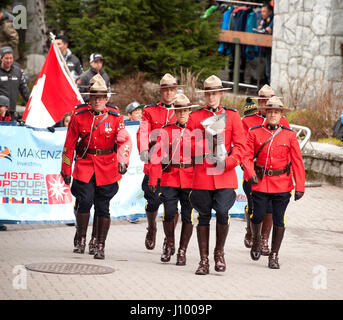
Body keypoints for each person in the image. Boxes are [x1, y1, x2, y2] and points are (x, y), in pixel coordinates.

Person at [60, 74, 132, 260]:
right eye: (94, 97)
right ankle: (82, 238)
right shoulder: (79, 115)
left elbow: (124, 141)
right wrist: (66, 170)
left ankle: (99, 244)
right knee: (84, 201)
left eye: (101, 98)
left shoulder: (116, 117)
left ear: (106, 99)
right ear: (89, 99)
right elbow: (68, 146)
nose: (97, 101)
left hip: (107, 166)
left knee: (103, 206)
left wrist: (123, 160)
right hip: (85, 165)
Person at [185, 75, 246, 275]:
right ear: (205, 95)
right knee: (203, 216)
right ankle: (203, 260)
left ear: (220, 94)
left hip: (224, 174)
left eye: (215, 93)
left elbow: (240, 146)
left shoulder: (233, 116)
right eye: (208, 93)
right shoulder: (195, 117)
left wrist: (228, 162)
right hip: (202, 174)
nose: (211, 97)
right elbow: (186, 144)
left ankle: (219, 253)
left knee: (222, 212)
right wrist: (206, 145)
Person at [243, 96, 305, 269]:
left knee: (279, 219)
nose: (273, 115)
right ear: (266, 113)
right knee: (258, 215)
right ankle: (256, 240)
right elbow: (247, 156)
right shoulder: (254, 132)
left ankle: (274, 255)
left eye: (276, 112)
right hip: (261, 182)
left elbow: (297, 161)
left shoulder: (289, 135)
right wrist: (250, 173)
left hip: (282, 184)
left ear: (281, 115)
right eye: (270, 112)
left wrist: (300, 186)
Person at [148, 93, 198, 265]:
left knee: (188, 216)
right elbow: (157, 156)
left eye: (185, 110)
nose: (182, 113)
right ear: (175, 113)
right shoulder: (166, 130)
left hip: (190, 178)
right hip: (170, 177)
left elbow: (201, 157)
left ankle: (182, 250)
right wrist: (153, 179)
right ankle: (169, 242)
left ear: (189, 111)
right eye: (179, 111)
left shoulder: (197, 131)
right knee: (169, 212)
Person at [242, 84, 289, 255]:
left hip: (274, 176)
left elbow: (287, 146)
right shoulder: (247, 121)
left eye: (267, 99)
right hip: (253, 172)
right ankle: (251, 230)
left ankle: (263, 239)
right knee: (252, 206)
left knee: (270, 207)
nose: (264, 103)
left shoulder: (282, 121)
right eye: (261, 99)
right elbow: (241, 147)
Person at [137, 73, 181, 251]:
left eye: (172, 90)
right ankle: (152, 227)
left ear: (176, 91)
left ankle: (169, 239)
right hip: (155, 165)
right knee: (153, 201)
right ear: (161, 92)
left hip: (175, 167)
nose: (169, 93)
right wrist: (145, 150)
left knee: (173, 205)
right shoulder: (150, 111)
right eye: (165, 90)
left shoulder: (182, 110)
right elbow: (142, 132)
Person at [0, 46, 30, 119]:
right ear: (1, 58)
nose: (9, 61)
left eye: (11, 58)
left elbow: (23, 89)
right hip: (1, 110)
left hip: (12, 110)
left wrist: (31, 102)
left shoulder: (17, 71)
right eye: (6, 58)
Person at [257, 3, 274, 84]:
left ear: (270, 12)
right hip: (267, 49)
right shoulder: (263, 20)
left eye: (264, 11)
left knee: (270, 72)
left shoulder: (274, 19)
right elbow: (261, 30)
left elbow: (268, 30)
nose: (262, 13)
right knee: (267, 71)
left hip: (274, 49)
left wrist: (265, 29)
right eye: (261, 11)